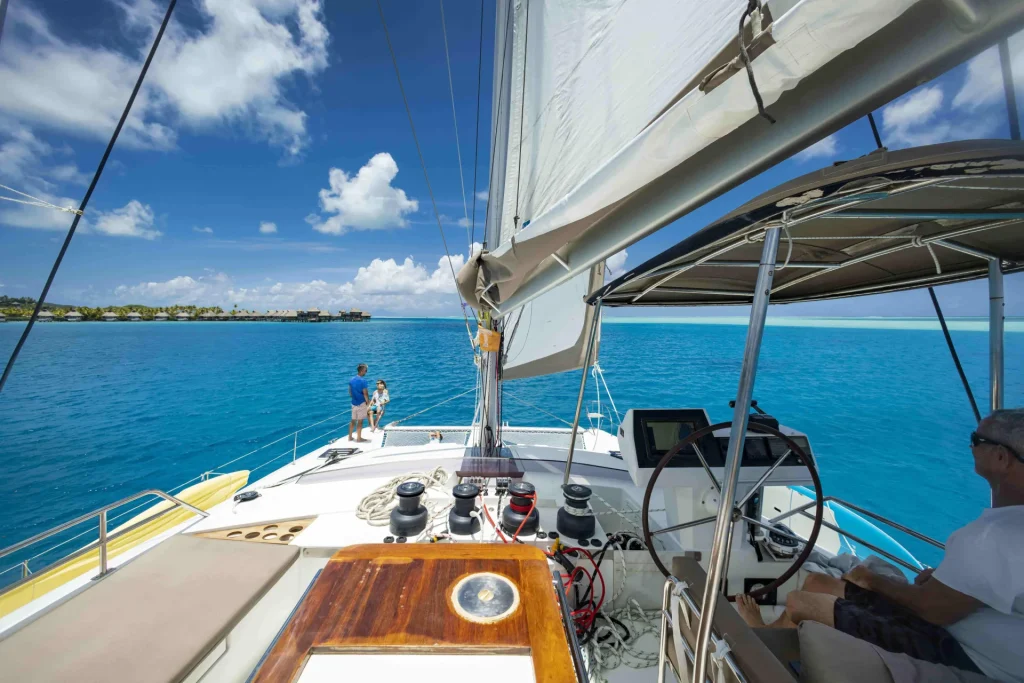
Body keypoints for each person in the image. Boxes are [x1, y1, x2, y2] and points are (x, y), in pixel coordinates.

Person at [735, 408, 1024, 681]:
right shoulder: (1004, 532)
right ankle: (768, 631)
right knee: (817, 582)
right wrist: (945, 580)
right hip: (956, 628)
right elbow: (984, 586)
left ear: (1001, 457)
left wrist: (870, 579)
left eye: (977, 440)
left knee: (801, 601)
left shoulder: (995, 535)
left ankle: (762, 651)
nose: (971, 446)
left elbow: (932, 609)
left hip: (960, 652)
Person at [347, 363, 370, 443]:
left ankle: (350, 437)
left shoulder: (351, 380)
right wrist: (368, 403)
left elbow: (350, 392)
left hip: (353, 403)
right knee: (360, 421)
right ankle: (359, 438)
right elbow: (365, 394)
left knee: (353, 420)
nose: (366, 372)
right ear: (362, 371)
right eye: (365, 371)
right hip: (361, 403)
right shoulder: (363, 381)